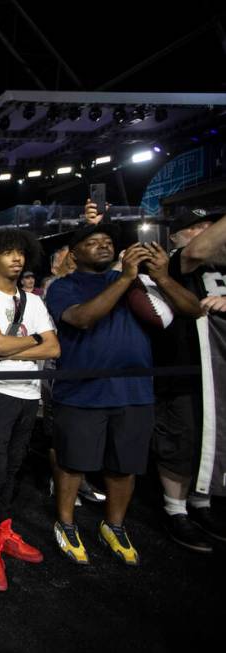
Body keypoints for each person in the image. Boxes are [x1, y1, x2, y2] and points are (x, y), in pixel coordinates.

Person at [46, 224, 199, 565]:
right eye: (92, 242)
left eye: (108, 242)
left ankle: (114, 525)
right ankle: (67, 523)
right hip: (82, 390)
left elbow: (193, 309)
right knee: (72, 463)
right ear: (74, 253)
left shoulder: (141, 282)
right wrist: (125, 278)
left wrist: (161, 276)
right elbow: (84, 318)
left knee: (124, 465)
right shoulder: (63, 287)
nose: (103, 245)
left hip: (134, 390)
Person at [0, 229, 60, 591]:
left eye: (20, 253)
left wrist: (11, 347)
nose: (17, 258)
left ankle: (3, 529)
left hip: (28, 394)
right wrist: (33, 340)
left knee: (13, 466)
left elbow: (53, 348)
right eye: (8, 253)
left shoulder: (34, 301)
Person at [149, 208, 226, 550]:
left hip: (218, 374)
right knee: (181, 438)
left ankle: (202, 502)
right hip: (183, 369)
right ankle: (175, 509)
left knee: (210, 439)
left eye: (210, 226)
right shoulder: (180, 262)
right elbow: (197, 251)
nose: (205, 232)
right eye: (196, 227)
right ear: (178, 236)